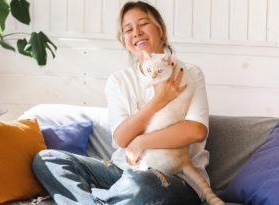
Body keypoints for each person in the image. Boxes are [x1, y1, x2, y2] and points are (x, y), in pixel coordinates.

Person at [32, 1, 210, 204]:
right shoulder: (119, 81)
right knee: (47, 160)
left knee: (144, 185)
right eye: (128, 29)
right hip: (122, 172)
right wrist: (159, 99)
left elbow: (196, 131)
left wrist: (141, 141)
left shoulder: (189, 72)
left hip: (173, 178)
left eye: (143, 24)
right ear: (123, 39)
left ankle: (101, 198)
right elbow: (121, 139)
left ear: (160, 28)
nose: (136, 32)